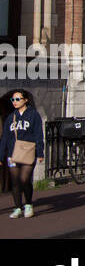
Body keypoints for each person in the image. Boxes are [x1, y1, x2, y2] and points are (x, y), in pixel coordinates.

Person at [1, 89, 44, 217]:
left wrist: (40, 152)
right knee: (15, 181)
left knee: (24, 179)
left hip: (28, 152)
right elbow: (5, 137)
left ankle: (28, 204)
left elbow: (38, 134)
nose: (15, 102)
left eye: (17, 99)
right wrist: (1, 154)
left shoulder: (33, 115)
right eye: (13, 100)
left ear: (25, 100)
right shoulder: (10, 117)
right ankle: (17, 207)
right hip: (12, 154)